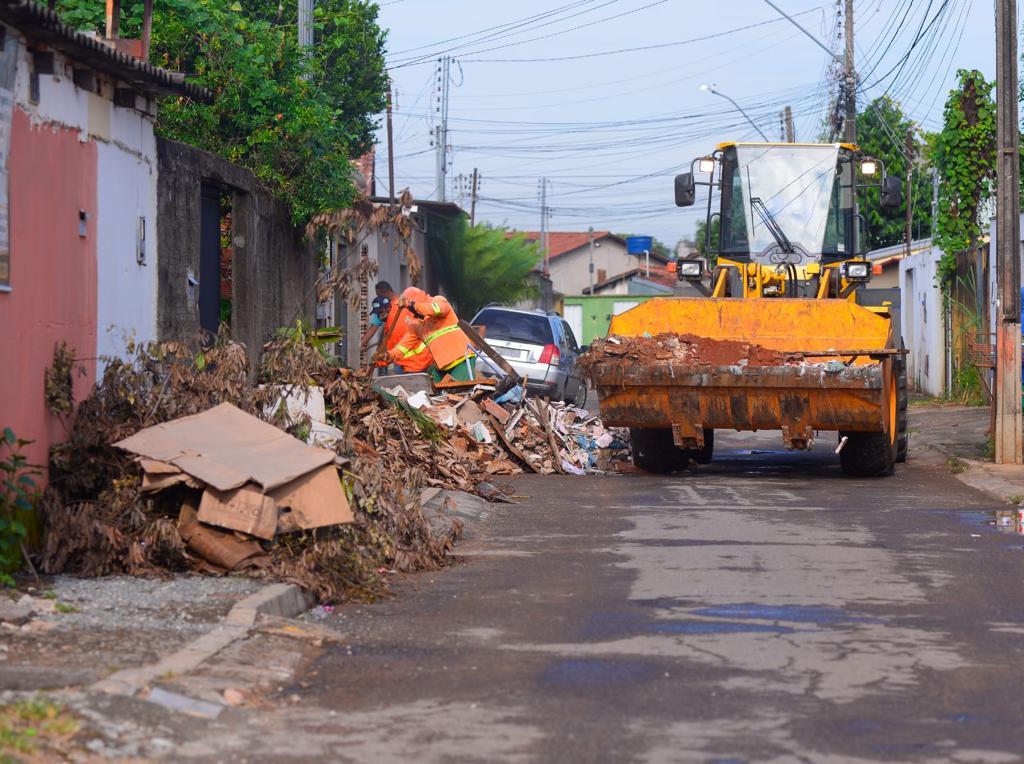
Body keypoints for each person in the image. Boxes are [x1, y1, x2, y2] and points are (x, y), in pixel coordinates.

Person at [390, 287, 477, 383]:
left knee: (459, 391)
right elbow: (402, 348)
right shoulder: (417, 325)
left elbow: (436, 309)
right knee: (431, 393)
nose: (410, 310)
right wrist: (387, 356)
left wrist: (411, 304)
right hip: (441, 367)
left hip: (462, 360)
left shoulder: (439, 301)